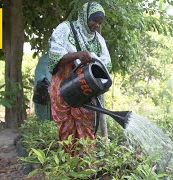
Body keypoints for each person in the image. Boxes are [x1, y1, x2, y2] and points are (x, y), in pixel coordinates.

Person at [48, 1, 111, 156]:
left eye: (100, 22)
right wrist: (77, 55)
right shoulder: (66, 29)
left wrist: (94, 61)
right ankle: (69, 164)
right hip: (64, 87)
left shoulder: (98, 40)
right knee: (66, 126)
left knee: (86, 125)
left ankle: (85, 166)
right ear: (84, 17)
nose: (96, 25)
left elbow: (107, 65)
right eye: (94, 20)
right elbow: (54, 56)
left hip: (85, 89)